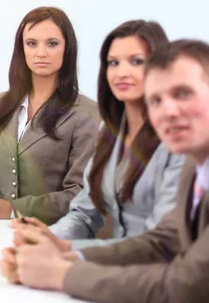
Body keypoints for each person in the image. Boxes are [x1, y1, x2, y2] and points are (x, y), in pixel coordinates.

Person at [0, 39, 209, 303]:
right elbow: (162, 241)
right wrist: (64, 251)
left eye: (183, 93)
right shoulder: (195, 166)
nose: (168, 111)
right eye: (155, 100)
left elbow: (185, 285)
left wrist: (59, 273)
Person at [11, 20, 184, 250]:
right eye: (113, 62)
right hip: (114, 262)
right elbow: (84, 215)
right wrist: (46, 240)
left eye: (136, 61)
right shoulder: (109, 133)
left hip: (155, 271)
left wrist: (69, 254)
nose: (122, 72)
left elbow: (159, 243)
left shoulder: (179, 141)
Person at [0, 7, 100, 224]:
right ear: (21, 48)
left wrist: (13, 209)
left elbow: (80, 193)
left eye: (52, 43)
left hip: (53, 234)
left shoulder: (88, 114)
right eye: (32, 43)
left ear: (67, 49)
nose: (40, 53)